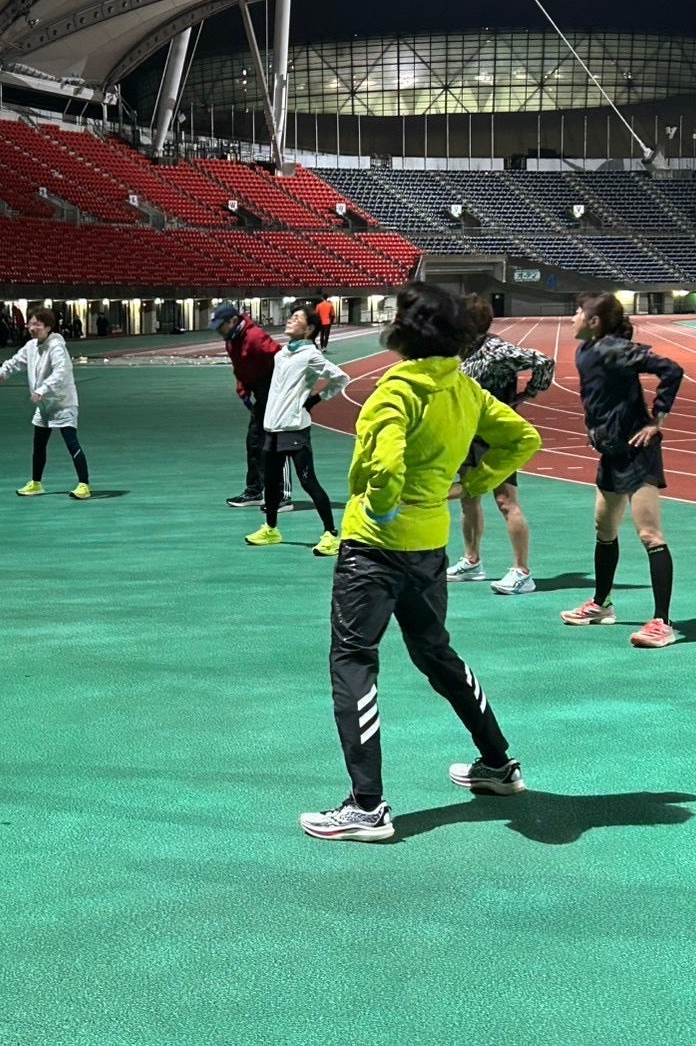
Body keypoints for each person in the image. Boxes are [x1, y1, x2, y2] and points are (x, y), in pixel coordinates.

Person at [299, 283, 542, 843]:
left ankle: (366, 805)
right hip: (428, 545)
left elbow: (385, 466)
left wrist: (383, 506)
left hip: (373, 548)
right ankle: (498, 763)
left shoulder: (396, 391)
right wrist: (473, 482)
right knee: (436, 653)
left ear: (403, 332)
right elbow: (523, 438)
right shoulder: (465, 389)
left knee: (353, 659)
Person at [560, 292, 685, 649]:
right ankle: (601, 605)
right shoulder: (586, 350)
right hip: (611, 453)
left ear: (594, 322)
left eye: (578, 313)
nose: (572, 318)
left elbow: (672, 370)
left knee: (650, 535)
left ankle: (662, 622)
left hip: (637, 453)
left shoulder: (613, 349)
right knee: (604, 529)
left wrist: (656, 420)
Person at [447, 296, 556, 596]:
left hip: (497, 438)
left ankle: (522, 571)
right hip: (468, 433)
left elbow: (544, 361)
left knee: (506, 501)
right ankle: (472, 562)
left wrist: (527, 394)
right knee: (469, 497)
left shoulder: (496, 350)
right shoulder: (460, 350)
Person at [243, 304, 349, 557]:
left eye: (297, 318)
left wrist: (315, 399)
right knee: (271, 483)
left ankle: (331, 535)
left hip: (294, 429)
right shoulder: (282, 354)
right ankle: (271, 529)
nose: (290, 320)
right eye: (291, 316)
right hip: (273, 427)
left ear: (309, 329)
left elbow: (341, 378)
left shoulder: (310, 355)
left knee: (308, 482)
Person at [0, 307, 90, 500]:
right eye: (30, 324)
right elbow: (16, 361)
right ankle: (36, 483)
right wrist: (0, 376)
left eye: (37, 324)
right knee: (39, 445)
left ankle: (84, 485)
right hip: (43, 407)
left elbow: (61, 372)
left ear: (48, 327)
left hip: (63, 403)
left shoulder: (57, 347)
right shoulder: (31, 346)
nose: (32, 328)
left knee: (71, 443)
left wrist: (42, 389)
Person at [210, 302, 291, 514]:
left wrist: (283, 394)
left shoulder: (255, 337)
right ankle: (255, 490)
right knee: (254, 442)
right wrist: (243, 390)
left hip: (274, 390)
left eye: (221, 326)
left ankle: (282, 495)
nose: (219, 331)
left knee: (275, 443)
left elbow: (282, 360)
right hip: (257, 391)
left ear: (233, 320)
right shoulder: (231, 341)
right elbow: (239, 367)